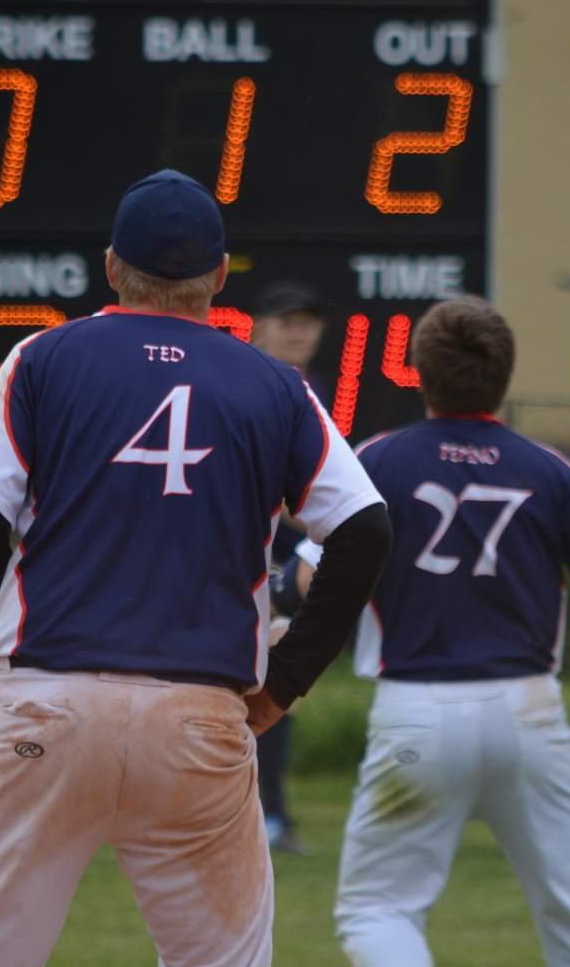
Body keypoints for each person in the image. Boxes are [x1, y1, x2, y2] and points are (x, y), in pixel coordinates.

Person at [0, 169, 392, 967]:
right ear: (215, 274)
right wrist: (287, 678)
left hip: (47, 699)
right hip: (198, 714)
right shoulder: (274, 384)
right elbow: (365, 530)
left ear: (110, 266)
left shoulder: (41, 357)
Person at [290, 296, 570, 967]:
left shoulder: (379, 459)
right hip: (530, 713)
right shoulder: (548, 469)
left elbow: (315, 577)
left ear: (419, 372)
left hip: (416, 713)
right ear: (504, 376)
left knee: (377, 909)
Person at [248, 280, 328, 856]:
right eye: (285, 319)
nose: (298, 330)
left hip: (288, 561)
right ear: (256, 326)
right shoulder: (243, 385)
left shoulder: (314, 390)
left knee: (274, 688)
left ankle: (270, 815)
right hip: (239, 558)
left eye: (307, 320)